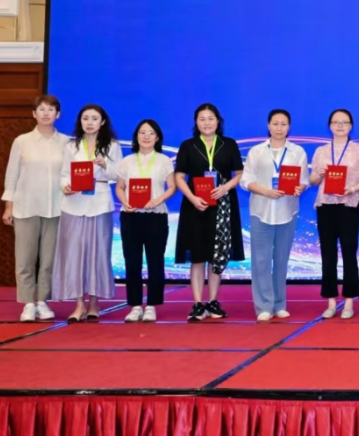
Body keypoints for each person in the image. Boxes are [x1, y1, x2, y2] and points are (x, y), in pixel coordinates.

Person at [174, 103, 244, 322]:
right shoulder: (188, 145)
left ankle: (213, 301)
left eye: (210, 118)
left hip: (222, 205)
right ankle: (197, 303)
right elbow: (179, 177)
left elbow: (240, 173)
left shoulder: (229, 144)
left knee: (217, 254)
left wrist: (225, 187)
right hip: (196, 206)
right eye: (202, 119)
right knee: (197, 256)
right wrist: (192, 198)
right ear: (196, 122)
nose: (206, 123)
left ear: (218, 121)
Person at [52, 104, 121, 322]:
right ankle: (78, 304)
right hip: (74, 204)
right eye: (85, 118)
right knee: (74, 254)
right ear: (80, 121)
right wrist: (65, 186)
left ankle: (94, 303)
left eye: (94, 118)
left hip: (99, 203)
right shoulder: (71, 146)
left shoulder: (112, 146)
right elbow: (64, 174)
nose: (89, 123)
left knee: (97, 253)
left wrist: (105, 165)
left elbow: (119, 175)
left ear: (102, 122)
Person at [2, 94, 68, 322]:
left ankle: (42, 301)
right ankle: (28, 304)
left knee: (49, 260)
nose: (46, 113)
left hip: (56, 208)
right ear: (34, 114)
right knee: (25, 259)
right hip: (26, 206)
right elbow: (11, 176)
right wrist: (8, 206)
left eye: (51, 109)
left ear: (58, 115)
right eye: (41, 109)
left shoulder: (67, 143)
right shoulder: (22, 141)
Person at [241, 109, 309, 322]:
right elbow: (245, 180)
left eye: (283, 124)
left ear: (289, 127)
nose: (279, 128)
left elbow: (304, 180)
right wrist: (265, 191)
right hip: (261, 210)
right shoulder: (257, 151)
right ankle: (263, 306)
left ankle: (279, 304)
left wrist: (300, 188)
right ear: (268, 126)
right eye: (275, 123)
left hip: (287, 211)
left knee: (281, 260)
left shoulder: (297, 152)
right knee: (260, 260)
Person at [309, 108, 359, 320]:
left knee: (349, 252)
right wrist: (320, 174)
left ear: (351, 126)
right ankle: (330, 301)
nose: (340, 126)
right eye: (336, 122)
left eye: (344, 122)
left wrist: (352, 189)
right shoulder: (321, 151)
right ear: (330, 126)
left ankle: (349, 302)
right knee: (328, 253)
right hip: (326, 205)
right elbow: (312, 181)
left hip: (349, 204)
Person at [114, 119, 176, 322]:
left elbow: (172, 187)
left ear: (157, 137)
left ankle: (151, 305)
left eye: (151, 133)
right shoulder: (127, 161)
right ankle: (135, 306)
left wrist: (159, 199)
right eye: (142, 132)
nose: (146, 136)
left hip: (155, 216)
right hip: (131, 216)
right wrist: (125, 202)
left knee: (155, 261)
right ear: (136, 136)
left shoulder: (164, 160)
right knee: (132, 261)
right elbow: (120, 187)